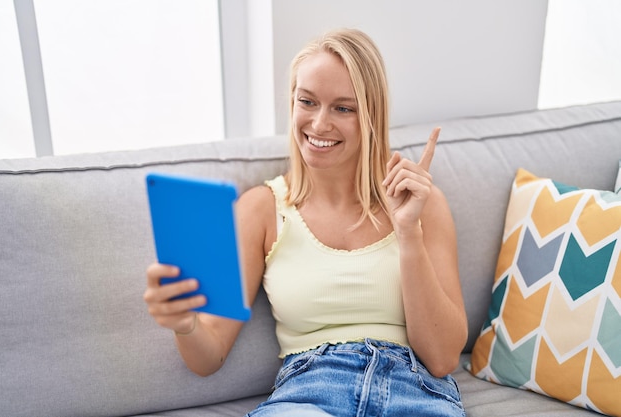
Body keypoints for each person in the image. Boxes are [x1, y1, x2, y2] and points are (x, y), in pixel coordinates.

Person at [144, 28, 468, 417]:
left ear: (371, 116)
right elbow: (208, 356)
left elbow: (443, 357)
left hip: (416, 392)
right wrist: (184, 324)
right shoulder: (262, 209)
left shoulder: (420, 202)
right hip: (310, 393)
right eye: (307, 101)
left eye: (343, 108)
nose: (319, 124)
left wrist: (408, 233)